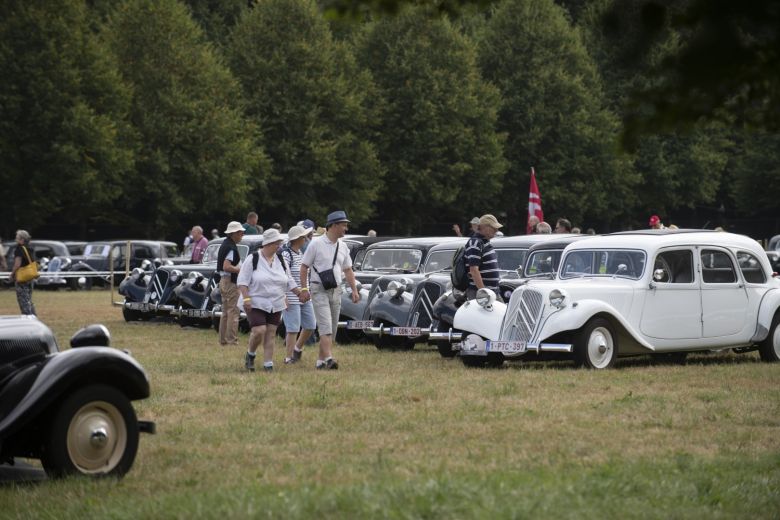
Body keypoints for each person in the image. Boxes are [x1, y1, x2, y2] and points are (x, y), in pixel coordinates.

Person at [239, 229, 308, 372]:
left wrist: (300, 293)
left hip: (276, 302)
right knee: (259, 330)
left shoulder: (280, 260)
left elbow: (289, 280)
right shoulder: (253, 259)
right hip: (255, 301)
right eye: (277, 243)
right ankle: (250, 354)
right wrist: (246, 298)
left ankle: (268, 364)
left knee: (270, 332)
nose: (279, 246)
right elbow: (242, 281)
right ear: (268, 244)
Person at [300, 210, 360, 370]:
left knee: (332, 330)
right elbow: (304, 267)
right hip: (318, 289)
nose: (346, 228)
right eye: (344, 225)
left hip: (336, 290)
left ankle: (320, 362)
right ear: (333, 226)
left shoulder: (343, 246)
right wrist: (304, 288)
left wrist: (354, 290)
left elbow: (348, 270)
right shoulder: (316, 244)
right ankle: (329, 359)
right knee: (325, 326)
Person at [280, 225, 317, 365]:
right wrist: (297, 292)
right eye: (303, 237)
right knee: (292, 328)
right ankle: (289, 357)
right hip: (291, 296)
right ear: (297, 239)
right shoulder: (286, 254)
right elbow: (286, 276)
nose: (306, 239)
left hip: (304, 296)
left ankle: (297, 349)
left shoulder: (301, 253)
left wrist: (306, 290)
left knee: (311, 325)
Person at [218, 221, 245, 346]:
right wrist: (241, 270)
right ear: (234, 233)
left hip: (223, 281)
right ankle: (232, 341)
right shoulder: (231, 248)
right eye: (240, 233)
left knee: (225, 313)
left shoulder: (225, 244)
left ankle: (223, 340)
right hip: (230, 282)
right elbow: (226, 266)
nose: (242, 235)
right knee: (233, 312)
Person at [465, 215, 502, 301]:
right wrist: (483, 293)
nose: (496, 230)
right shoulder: (475, 243)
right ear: (483, 227)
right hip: (481, 294)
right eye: (493, 227)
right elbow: (474, 270)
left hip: (491, 292)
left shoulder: (484, 242)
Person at [11, 230, 36, 315]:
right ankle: (34, 317)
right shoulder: (30, 248)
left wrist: (12, 274)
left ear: (22, 239)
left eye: (17, 238)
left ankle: (27, 317)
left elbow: (17, 264)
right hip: (30, 276)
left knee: (23, 300)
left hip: (22, 277)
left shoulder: (19, 249)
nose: (15, 240)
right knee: (29, 299)